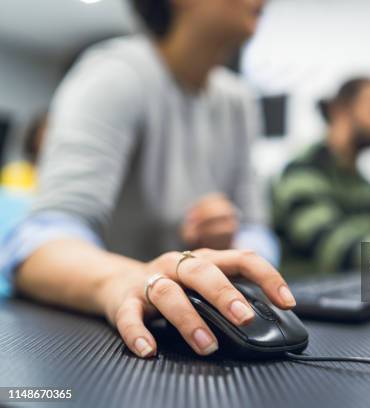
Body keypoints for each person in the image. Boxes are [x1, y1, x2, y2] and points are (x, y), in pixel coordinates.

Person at [0, 0, 296, 359]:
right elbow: (37, 244)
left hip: (195, 334)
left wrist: (228, 250)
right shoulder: (115, 74)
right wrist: (128, 280)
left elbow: (257, 229)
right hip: (104, 344)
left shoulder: (238, 101)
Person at [272, 77, 370, 276]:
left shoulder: (362, 184)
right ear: (340, 110)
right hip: (306, 301)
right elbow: (338, 248)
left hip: (358, 295)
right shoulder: (302, 172)